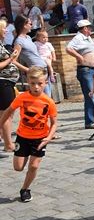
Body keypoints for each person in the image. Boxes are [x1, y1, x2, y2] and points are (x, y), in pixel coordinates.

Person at [0, 66, 57, 203]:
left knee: (34, 166)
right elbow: (8, 112)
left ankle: (25, 189)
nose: (36, 87)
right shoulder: (22, 97)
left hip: (40, 138)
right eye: (33, 84)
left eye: (40, 83)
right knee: (18, 167)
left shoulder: (49, 102)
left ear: (45, 83)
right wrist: (2, 127)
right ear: (28, 82)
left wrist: (48, 137)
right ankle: (24, 156)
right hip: (23, 137)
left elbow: (54, 123)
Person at [65, 20, 94, 131]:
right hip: (85, 70)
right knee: (90, 95)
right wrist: (79, 57)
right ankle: (89, 122)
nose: (91, 29)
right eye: (89, 27)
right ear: (84, 28)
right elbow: (68, 48)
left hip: (92, 69)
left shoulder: (88, 38)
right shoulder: (78, 37)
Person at [13, 15, 52, 97]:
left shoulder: (28, 38)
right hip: (36, 72)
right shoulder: (19, 41)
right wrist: (27, 69)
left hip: (44, 69)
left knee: (47, 97)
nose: (32, 25)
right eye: (30, 24)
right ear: (24, 25)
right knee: (44, 98)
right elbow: (13, 60)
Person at [0, 20, 20, 152]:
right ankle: (8, 144)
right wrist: (10, 58)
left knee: (6, 114)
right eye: (4, 28)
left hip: (8, 82)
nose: (6, 31)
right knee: (6, 114)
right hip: (3, 82)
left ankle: (4, 139)